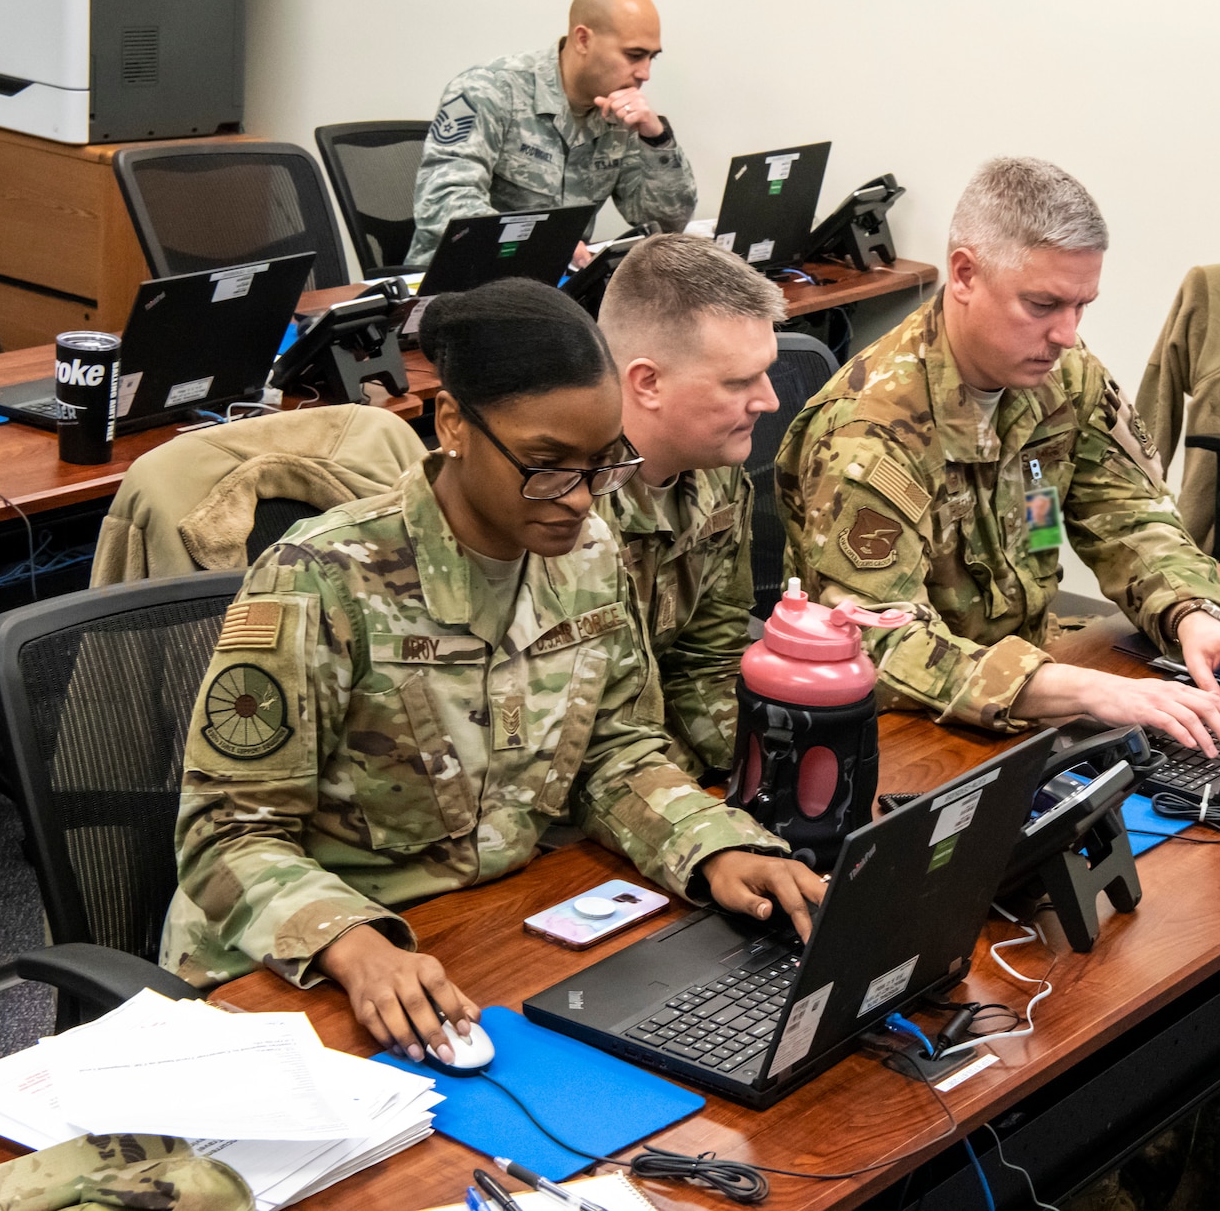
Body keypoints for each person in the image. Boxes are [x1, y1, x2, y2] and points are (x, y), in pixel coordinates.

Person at [161, 279, 822, 1067]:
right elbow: (227, 829)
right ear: (452, 425)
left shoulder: (586, 555)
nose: (579, 500)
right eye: (546, 465)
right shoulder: (322, 578)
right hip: (301, 966)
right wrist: (353, 943)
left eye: (601, 464)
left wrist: (712, 845)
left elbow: (617, 753)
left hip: (489, 932)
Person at [776, 157, 1220, 754]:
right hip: (917, 727)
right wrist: (1085, 690)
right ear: (963, 275)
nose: (1067, 334)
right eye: (1043, 305)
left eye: (1081, 306)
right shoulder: (870, 433)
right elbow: (879, 643)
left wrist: (1192, 612)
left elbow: (1129, 513)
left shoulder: (1062, 376)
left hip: (1038, 684)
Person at [595, 234, 783, 778]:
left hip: (647, 770)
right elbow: (583, 730)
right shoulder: (560, 504)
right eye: (740, 381)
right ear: (647, 382)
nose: (769, 400)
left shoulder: (717, 469)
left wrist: (763, 778)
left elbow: (706, 661)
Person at [407, 0, 698, 267]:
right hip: (460, 278)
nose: (645, 73)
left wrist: (656, 139)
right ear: (583, 39)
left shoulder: (619, 109)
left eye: (651, 58)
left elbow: (665, 225)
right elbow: (443, 205)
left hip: (553, 286)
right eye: (634, 55)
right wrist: (545, 242)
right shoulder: (488, 89)